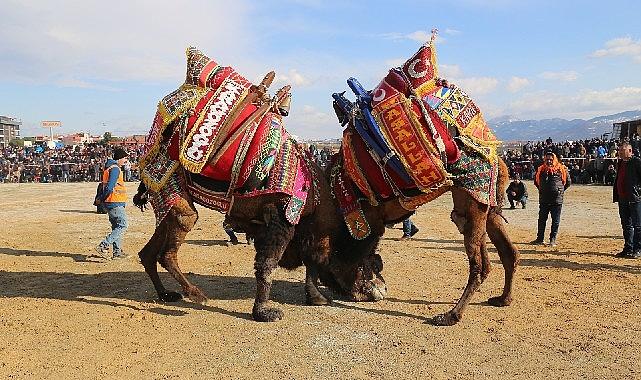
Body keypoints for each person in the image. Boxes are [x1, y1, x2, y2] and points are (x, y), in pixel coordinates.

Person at [95, 148, 129, 259]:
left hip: (111, 201)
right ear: (119, 158)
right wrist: (103, 197)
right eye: (124, 158)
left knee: (116, 226)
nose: (126, 160)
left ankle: (117, 252)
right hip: (114, 201)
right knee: (122, 225)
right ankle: (103, 245)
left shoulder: (110, 168)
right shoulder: (115, 169)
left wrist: (102, 199)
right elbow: (110, 187)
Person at [531, 151, 570, 247]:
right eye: (547, 159)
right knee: (541, 220)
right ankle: (540, 239)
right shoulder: (540, 169)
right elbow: (536, 182)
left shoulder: (562, 169)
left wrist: (559, 191)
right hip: (544, 199)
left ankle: (552, 240)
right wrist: (543, 190)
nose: (549, 161)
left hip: (557, 200)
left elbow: (568, 182)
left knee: (555, 221)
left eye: (551, 159)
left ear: (555, 160)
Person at [613, 142, 641, 258]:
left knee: (638, 225)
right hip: (622, 198)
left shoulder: (636, 162)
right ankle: (628, 248)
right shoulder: (620, 163)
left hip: (634, 198)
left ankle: (638, 249)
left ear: (629, 151)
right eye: (619, 150)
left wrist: (638, 191)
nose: (619, 152)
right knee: (626, 225)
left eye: (622, 150)